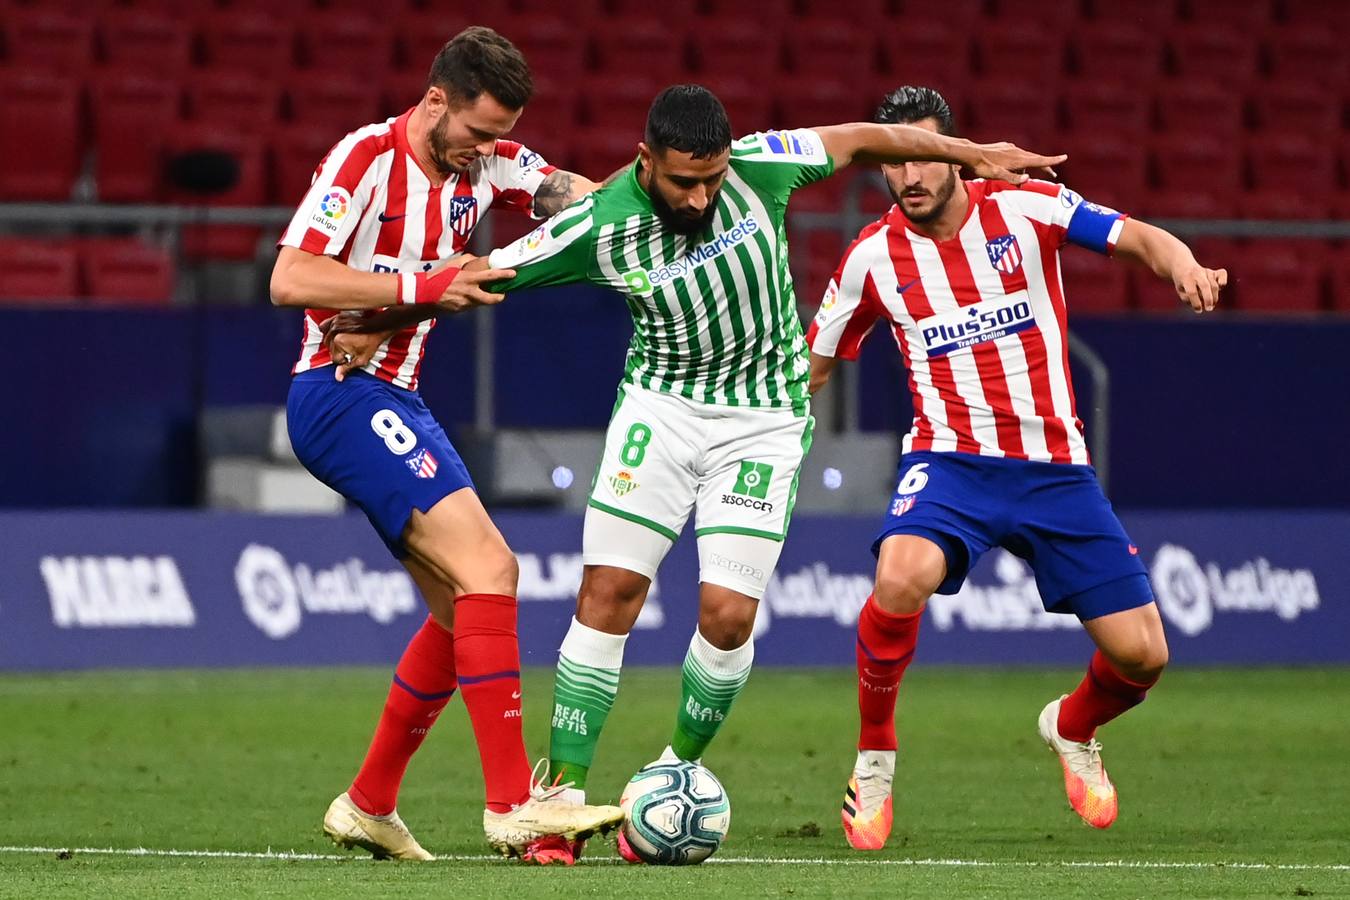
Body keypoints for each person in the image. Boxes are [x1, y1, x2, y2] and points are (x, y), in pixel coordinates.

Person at [324, 83, 1063, 864]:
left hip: (766, 418)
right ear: (646, 161)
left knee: (727, 616)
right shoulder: (599, 225)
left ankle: (672, 773)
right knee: (609, 594)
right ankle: (562, 798)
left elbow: (862, 138)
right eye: (685, 181)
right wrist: (380, 321)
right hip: (661, 409)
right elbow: (484, 275)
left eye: (712, 177)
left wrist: (975, 155)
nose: (702, 194)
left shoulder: (762, 167)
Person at [805, 86, 1228, 850]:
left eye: (927, 157)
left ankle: (1070, 726)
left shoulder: (1027, 208)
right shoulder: (873, 255)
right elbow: (817, 361)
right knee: (900, 576)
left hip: (1053, 467)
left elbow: (1137, 237)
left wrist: (1184, 263)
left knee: (1143, 656)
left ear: (956, 155)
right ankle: (874, 756)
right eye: (896, 162)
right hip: (950, 461)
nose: (912, 177)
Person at [268, 26, 623, 864]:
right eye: (477, 132)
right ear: (436, 102)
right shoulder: (365, 159)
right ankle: (511, 807)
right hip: (338, 392)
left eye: (500, 135)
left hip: (395, 393)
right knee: (492, 570)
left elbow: (575, 193)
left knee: (457, 607)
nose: (488, 151)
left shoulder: (488, 161)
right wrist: (420, 287)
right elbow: (289, 277)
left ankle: (368, 804)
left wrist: (643, 195)